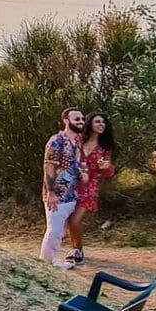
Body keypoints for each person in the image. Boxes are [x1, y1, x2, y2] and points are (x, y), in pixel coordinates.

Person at [67, 113, 117, 265]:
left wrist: (107, 167)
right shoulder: (78, 141)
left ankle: (78, 249)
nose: (101, 124)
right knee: (68, 220)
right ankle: (75, 247)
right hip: (72, 185)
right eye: (98, 121)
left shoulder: (104, 149)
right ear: (90, 124)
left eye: (103, 122)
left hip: (89, 188)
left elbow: (108, 172)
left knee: (74, 220)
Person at [41, 108, 88, 269]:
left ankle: (53, 260)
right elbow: (49, 168)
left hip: (72, 194)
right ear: (66, 121)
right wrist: (51, 192)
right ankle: (46, 263)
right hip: (57, 195)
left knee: (60, 231)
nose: (81, 121)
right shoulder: (56, 141)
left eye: (82, 119)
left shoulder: (77, 141)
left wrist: (83, 172)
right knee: (54, 231)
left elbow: (77, 163)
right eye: (77, 119)